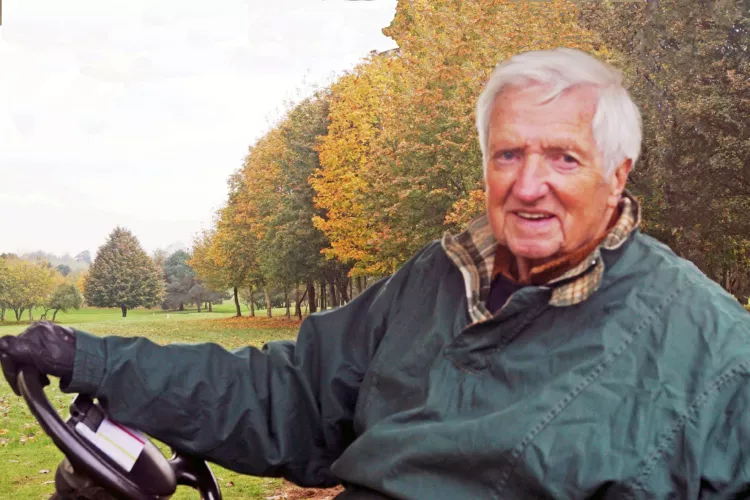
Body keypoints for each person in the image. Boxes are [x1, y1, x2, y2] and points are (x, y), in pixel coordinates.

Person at [2, 48, 750, 499]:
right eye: (507, 154)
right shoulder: (435, 280)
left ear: (617, 175)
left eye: (563, 157)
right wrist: (90, 358)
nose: (528, 185)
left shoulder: (710, 348)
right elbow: (287, 396)